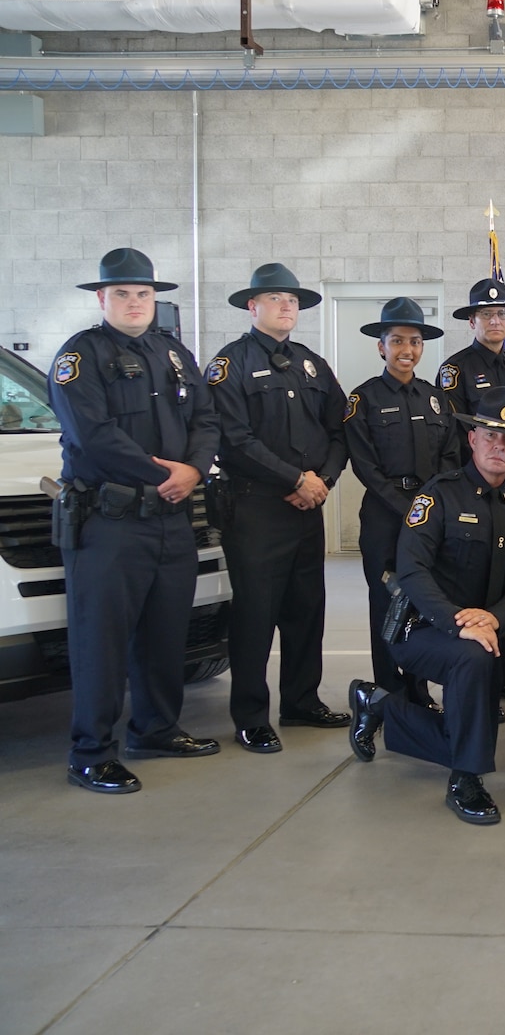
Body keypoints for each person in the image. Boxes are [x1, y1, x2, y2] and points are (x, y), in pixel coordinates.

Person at [51, 248, 222, 793]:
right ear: (101, 299)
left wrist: (193, 470)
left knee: (164, 631)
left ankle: (154, 729)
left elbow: (205, 418)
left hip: (172, 518)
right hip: (110, 521)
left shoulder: (174, 355)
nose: (133, 303)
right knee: (100, 639)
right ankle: (91, 751)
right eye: (121, 294)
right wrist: (162, 472)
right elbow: (93, 435)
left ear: (155, 299)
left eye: (143, 294)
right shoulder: (80, 357)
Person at [347, 387, 505, 825]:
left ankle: (379, 705)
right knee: (474, 665)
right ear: (471, 439)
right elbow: (412, 573)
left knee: (476, 719)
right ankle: (465, 779)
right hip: (419, 629)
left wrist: (493, 617)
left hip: (483, 633)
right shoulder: (438, 496)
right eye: (490, 435)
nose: (499, 445)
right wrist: (461, 625)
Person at [208, 263, 349, 754]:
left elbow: (339, 430)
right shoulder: (231, 364)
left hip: (308, 506)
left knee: (306, 609)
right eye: (275, 299)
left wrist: (322, 481)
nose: (286, 306)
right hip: (257, 508)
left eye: (292, 300)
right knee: (255, 614)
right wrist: (294, 479)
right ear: (253, 306)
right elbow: (232, 439)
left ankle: (301, 701)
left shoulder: (312, 363)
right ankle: (250, 714)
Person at [343, 297, 460, 705]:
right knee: (386, 599)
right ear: (381, 347)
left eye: (414, 341)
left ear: (423, 347)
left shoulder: (437, 399)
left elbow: (450, 456)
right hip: (384, 514)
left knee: (426, 598)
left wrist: (429, 504)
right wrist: (404, 505)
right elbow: (365, 465)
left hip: (429, 514)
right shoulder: (363, 400)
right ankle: (390, 690)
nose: (406, 350)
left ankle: (418, 686)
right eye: (396, 341)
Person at [437, 278, 505, 703]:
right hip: (471, 492)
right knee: (474, 582)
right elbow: (450, 434)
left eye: (502, 314)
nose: (496, 320)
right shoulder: (456, 369)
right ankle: (475, 679)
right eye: (487, 314)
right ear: (471, 320)